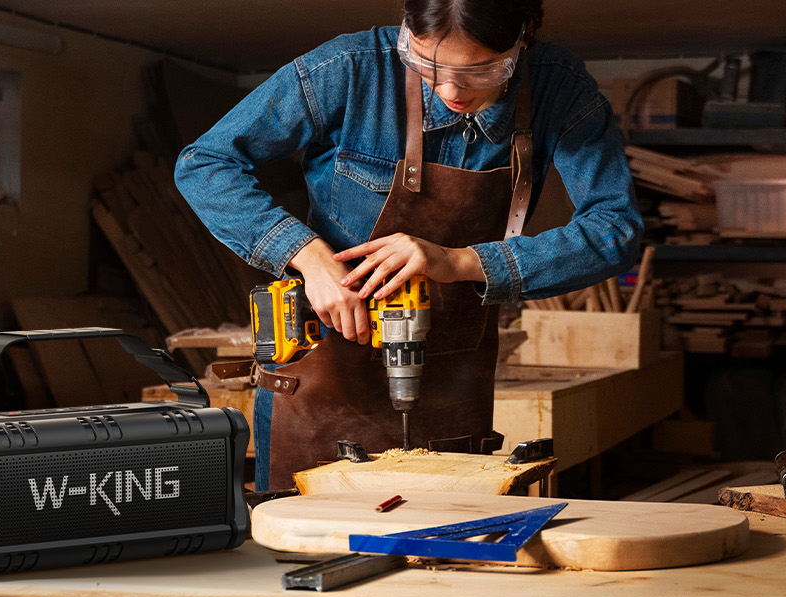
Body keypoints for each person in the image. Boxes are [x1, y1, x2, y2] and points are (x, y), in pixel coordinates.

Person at [175, 0, 642, 490]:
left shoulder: (557, 86)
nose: (449, 91)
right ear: (406, 31)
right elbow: (205, 164)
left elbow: (616, 230)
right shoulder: (348, 69)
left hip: (455, 378)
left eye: (478, 71)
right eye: (424, 63)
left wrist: (461, 261)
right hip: (324, 369)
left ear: (522, 38)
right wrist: (309, 258)